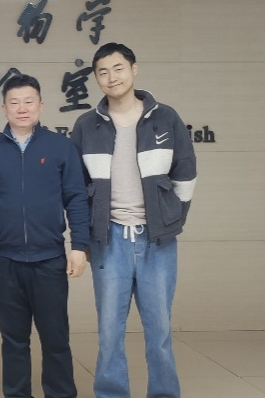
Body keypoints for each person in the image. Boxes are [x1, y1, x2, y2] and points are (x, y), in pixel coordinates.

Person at [70, 43, 198, 398]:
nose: (112, 77)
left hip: (157, 241)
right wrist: (87, 235)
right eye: (103, 72)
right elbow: (76, 187)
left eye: (118, 68)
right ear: (97, 78)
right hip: (109, 240)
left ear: (134, 69)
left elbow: (186, 173)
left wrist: (170, 219)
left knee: (160, 331)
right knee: (110, 331)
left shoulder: (165, 117)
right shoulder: (87, 125)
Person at [0, 74, 89, 398]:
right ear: (4, 108)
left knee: (56, 340)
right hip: (5, 261)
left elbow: (76, 198)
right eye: (14, 102)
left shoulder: (61, 147)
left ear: (41, 105)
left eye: (29, 101)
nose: (22, 108)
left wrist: (79, 246)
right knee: (13, 341)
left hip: (49, 260)